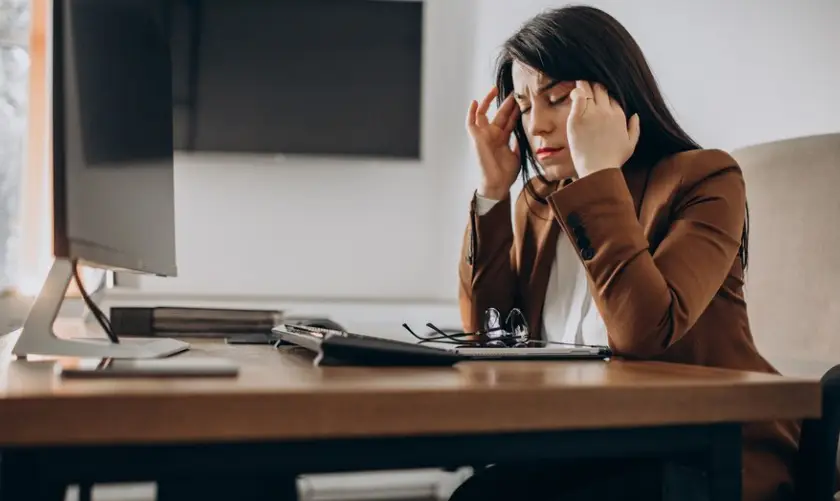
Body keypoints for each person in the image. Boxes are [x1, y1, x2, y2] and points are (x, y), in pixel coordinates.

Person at [455, 5, 800, 501]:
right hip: (586, 446)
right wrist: (492, 192)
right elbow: (489, 335)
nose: (538, 127)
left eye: (558, 99)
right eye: (526, 107)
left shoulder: (705, 179)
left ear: (615, 95)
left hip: (700, 454)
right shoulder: (538, 204)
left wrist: (599, 177)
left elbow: (644, 331)